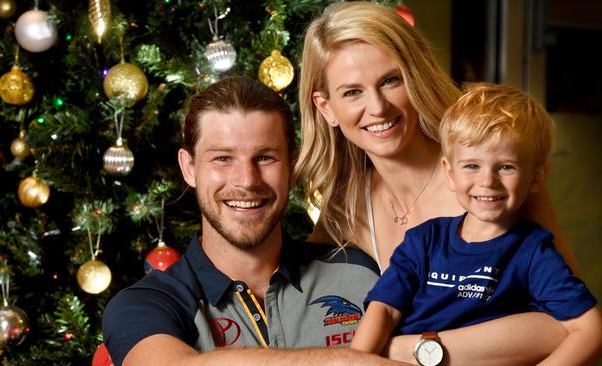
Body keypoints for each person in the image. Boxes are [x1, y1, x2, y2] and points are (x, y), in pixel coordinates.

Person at [295, 1, 578, 364]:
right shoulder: (346, 202)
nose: (378, 107)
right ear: (326, 108)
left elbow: (569, 326)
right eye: (353, 92)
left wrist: (409, 348)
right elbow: (292, 290)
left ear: (415, 78)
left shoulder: (485, 182)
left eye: (390, 80)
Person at [102, 76, 407, 366]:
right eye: (223, 158)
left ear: (292, 163)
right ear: (190, 167)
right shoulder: (146, 303)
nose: (247, 181)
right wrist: (346, 360)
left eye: (265, 157)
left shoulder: (359, 271)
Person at [350, 83, 602, 365]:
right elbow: (385, 310)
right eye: (472, 166)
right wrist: (355, 361)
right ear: (449, 173)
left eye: (506, 166)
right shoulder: (424, 241)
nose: (488, 181)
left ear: (537, 177)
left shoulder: (533, 252)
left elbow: (595, 332)